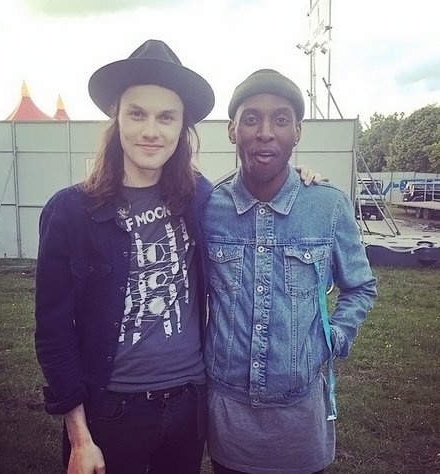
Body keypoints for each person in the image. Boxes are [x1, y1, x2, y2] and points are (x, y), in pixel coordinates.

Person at [34, 39, 320, 474]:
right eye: (137, 114)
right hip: (109, 413)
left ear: (183, 127)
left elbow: (259, 197)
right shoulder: (71, 212)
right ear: (117, 119)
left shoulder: (203, 199)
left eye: (166, 117)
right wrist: (79, 436)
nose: (152, 130)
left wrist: (297, 180)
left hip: (190, 406)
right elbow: (54, 332)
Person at [203, 69, 377, 474]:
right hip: (228, 420)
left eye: (281, 119)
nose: (265, 132)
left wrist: (331, 338)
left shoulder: (328, 206)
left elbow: (360, 287)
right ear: (232, 130)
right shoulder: (206, 207)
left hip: (300, 420)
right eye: (251, 119)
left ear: (297, 131)